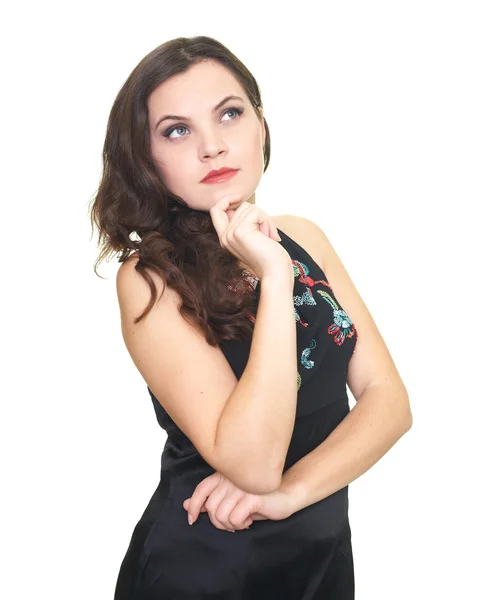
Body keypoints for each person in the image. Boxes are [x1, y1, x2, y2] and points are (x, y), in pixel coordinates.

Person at [89, 35, 412, 600]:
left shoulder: (304, 236)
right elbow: (254, 465)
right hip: (212, 563)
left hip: (321, 553)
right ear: (148, 158)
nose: (212, 146)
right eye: (177, 130)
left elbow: (390, 402)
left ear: (261, 125)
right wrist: (277, 275)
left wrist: (291, 495)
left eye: (230, 115)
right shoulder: (150, 279)